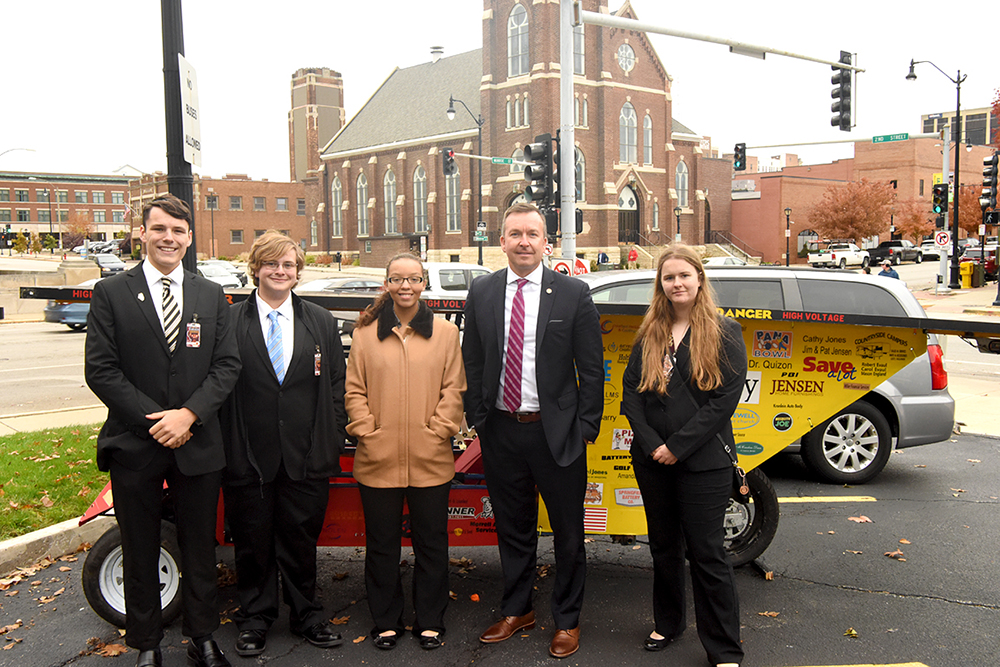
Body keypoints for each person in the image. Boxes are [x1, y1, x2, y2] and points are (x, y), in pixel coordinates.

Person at [85, 194, 241, 667]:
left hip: (197, 442)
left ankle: (202, 636)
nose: (168, 238)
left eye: (178, 231)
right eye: (159, 229)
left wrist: (188, 415)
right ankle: (147, 644)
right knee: (140, 546)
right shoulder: (110, 292)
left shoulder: (210, 294)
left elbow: (227, 364)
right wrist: (158, 420)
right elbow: (102, 370)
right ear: (142, 234)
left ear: (189, 237)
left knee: (199, 546)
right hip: (135, 443)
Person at [462, 202, 604, 659]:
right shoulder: (482, 292)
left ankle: (567, 619)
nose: (524, 241)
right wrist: (479, 418)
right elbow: (474, 360)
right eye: (515, 233)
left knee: (567, 531)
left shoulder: (572, 293)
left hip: (556, 433)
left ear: (546, 241)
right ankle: (517, 609)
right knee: (513, 528)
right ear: (501, 240)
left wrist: (584, 426)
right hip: (502, 430)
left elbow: (592, 370)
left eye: (533, 234)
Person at [221, 231, 347, 657]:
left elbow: (334, 385)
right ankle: (255, 618)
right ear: (256, 268)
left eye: (288, 265)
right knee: (253, 541)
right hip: (248, 453)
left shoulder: (320, 321)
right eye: (272, 264)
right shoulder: (231, 321)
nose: (280, 271)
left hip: (306, 453)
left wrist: (333, 434)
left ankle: (307, 614)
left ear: (298, 271)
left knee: (300, 539)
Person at [620, 244, 746, 667]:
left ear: (699, 279)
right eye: (668, 277)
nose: (676, 283)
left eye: (684, 275)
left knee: (708, 553)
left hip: (703, 462)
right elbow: (631, 392)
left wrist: (677, 446)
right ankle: (668, 623)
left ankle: (724, 647)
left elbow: (724, 400)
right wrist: (654, 443)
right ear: (661, 283)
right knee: (663, 547)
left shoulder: (724, 330)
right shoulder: (650, 330)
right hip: (652, 458)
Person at [345, 252, 466, 652]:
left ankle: (430, 620)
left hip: (431, 458)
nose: (406, 287)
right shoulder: (365, 334)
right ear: (386, 284)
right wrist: (368, 431)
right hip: (377, 458)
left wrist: (439, 431)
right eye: (397, 279)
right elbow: (354, 391)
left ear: (423, 283)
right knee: (382, 545)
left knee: (432, 543)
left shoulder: (446, 334)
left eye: (413, 279)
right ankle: (386, 621)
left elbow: (455, 390)